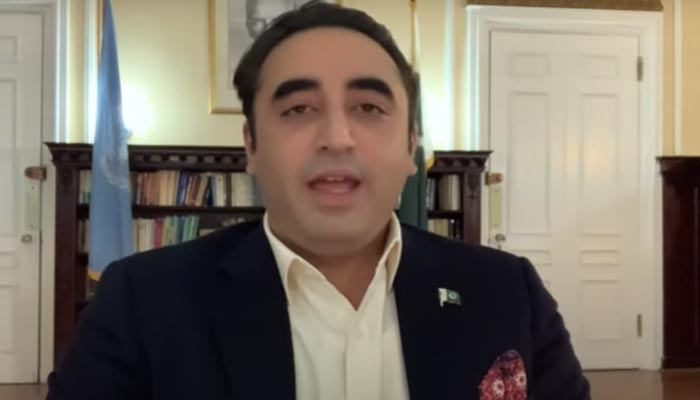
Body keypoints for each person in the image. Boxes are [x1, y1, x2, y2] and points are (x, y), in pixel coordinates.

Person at [47, 2, 590, 399]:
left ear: (411, 146)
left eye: (369, 107)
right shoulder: (142, 302)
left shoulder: (508, 293)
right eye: (299, 109)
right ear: (251, 147)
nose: (337, 137)